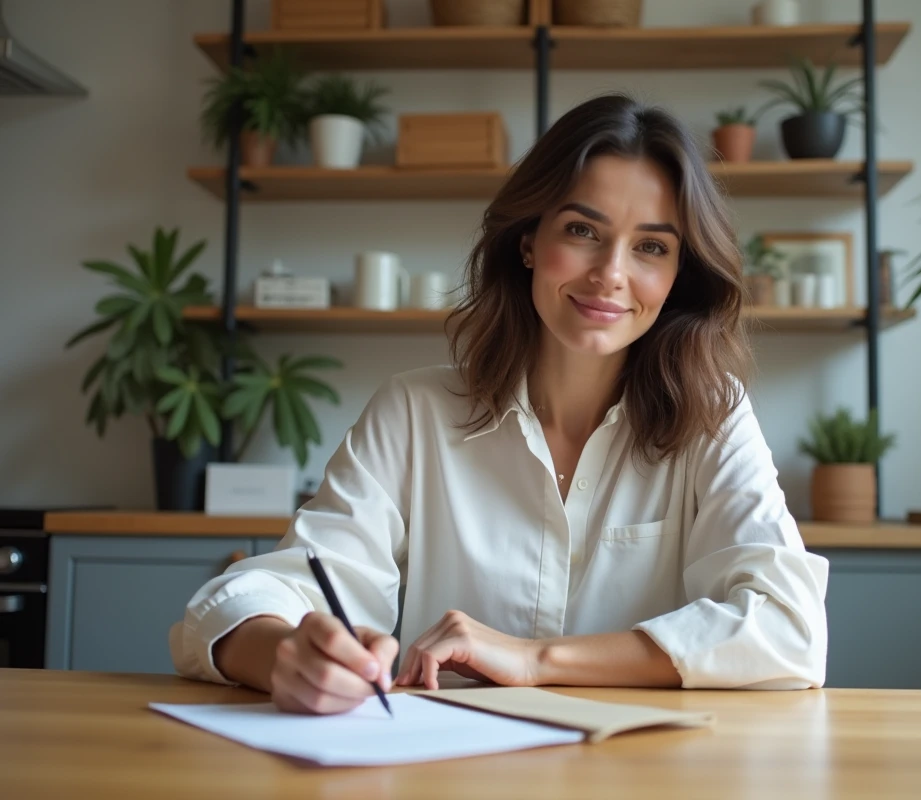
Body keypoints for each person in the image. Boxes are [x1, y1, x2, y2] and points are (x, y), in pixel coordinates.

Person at [169, 92, 829, 715]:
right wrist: (285, 654)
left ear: (679, 273)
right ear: (528, 243)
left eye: (651, 247)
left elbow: (788, 629)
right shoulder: (413, 412)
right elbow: (251, 600)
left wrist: (536, 659)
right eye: (582, 231)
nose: (611, 274)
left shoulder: (712, 415)